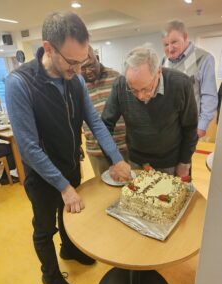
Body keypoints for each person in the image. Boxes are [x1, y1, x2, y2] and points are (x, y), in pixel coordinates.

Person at [5, 12, 131, 284]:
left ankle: (69, 248)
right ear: (48, 48)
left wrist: (117, 158)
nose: (78, 69)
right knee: (44, 226)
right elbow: (29, 147)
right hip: (42, 176)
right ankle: (50, 275)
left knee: (69, 216)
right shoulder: (19, 84)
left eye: (82, 61)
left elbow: (95, 122)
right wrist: (63, 187)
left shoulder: (75, 81)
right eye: (72, 62)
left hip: (71, 163)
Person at [102, 46, 198, 177]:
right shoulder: (120, 84)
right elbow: (105, 126)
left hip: (171, 163)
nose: (140, 96)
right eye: (133, 90)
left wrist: (184, 162)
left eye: (145, 89)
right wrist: (114, 160)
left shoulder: (181, 84)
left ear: (158, 72)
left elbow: (191, 127)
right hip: (136, 161)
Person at [162, 20, 218, 139]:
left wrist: (202, 127)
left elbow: (209, 96)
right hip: (166, 128)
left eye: (174, 42)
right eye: (166, 45)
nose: (170, 48)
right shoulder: (164, 61)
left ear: (185, 37)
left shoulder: (204, 58)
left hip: (190, 128)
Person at [81, 46, 127, 176]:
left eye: (91, 65)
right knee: (105, 191)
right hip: (96, 151)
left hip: (123, 146)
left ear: (97, 58)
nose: (88, 71)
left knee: (130, 186)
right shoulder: (76, 85)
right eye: (83, 68)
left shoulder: (116, 77)